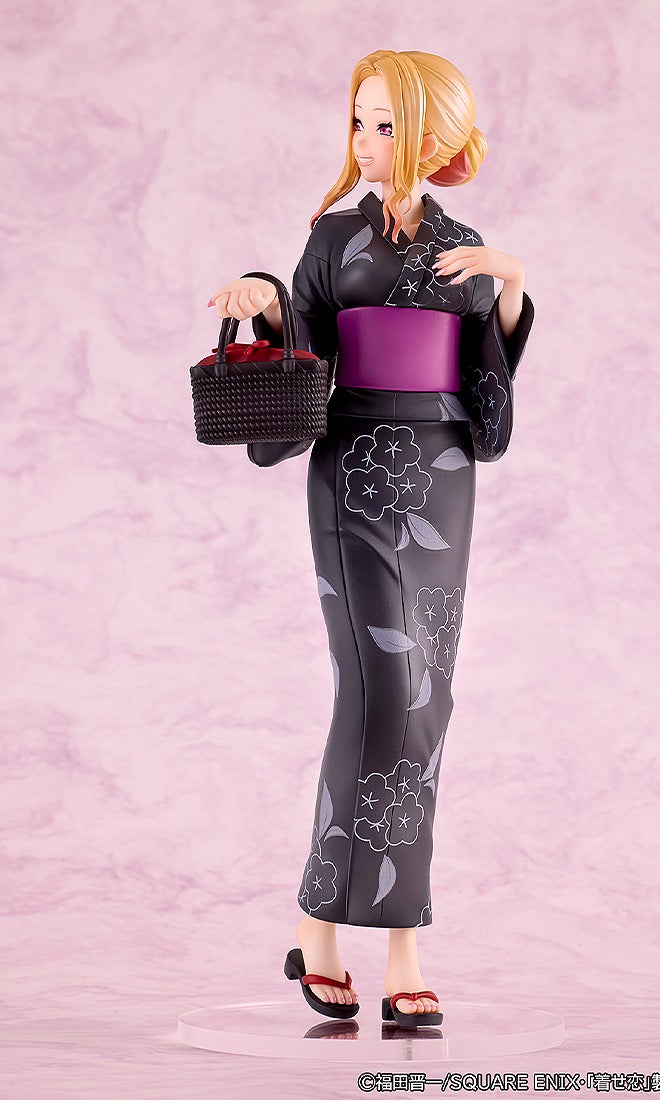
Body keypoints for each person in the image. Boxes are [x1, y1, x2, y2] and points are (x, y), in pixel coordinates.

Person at [208, 49, 534, 1028]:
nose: (367, 141)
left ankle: (387, 946)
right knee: (381, 684)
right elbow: (302, 332)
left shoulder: (465, 245)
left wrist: (510, 289)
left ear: (435, 135)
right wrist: (263, 293)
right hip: (354, 465)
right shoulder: (333, 238)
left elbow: (487, 389)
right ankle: (334, 927)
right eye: (360, 121)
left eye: (388, 125)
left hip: (440, 475)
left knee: (428, 697)